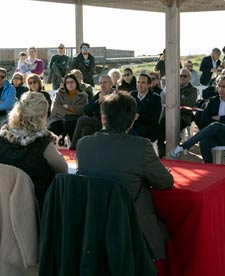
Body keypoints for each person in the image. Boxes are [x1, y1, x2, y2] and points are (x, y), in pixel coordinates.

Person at [76, 91, 174, 260]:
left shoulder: (83, 144)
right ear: (132, 120)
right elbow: (164, 183)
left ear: (103, 118)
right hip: (132, 228)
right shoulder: (141, 147)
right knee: (171, 229)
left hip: (92, 226)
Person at [0, 92, 67, 211]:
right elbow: (63, 170)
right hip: (34, 205)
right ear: (42, 116)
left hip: (3, 200)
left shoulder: (3, 137)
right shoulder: (42, 143)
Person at [169, 75, 225, 163]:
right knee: (204, 142)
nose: (220, 89)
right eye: (219, 86)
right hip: (214, 135)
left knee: (216, 125)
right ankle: (209, 169)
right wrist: (224, 122)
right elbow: (204, 120)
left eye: (223, 86)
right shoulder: (212, 101)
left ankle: (182, 147)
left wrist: (219, 119)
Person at [156, 68, 198, 157]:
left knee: (174, 128)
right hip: (168, 114)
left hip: (184, 116)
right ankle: (161, 148)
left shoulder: (193, 90)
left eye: (185, 76)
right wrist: (177, 97)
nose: (182, 78)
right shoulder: (171, 87)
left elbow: (189, 103)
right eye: (180, 76)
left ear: (189, 78)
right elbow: (163, 98)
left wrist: (174, 97)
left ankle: (174, 150)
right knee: (160, 126)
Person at [70, 75, 115, 149]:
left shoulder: (116, 95)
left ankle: (73, 148)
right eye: (100, 83)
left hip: (108, 122)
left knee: (82, 119)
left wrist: (106, 101)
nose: (102, 85)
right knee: (86, 129)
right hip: (96, 120)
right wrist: (98, 102)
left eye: (105, 82)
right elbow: (87, 110)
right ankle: (81, 152)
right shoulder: (99, 94)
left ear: (111, 83)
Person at [47, 73, 89, 143]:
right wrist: (71, 113)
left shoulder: (83, 95)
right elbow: (55, 108)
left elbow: (84, 109)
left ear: (76, 83)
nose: (70, 84)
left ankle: (74, 148)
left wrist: (69, 107)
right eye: (67, 82)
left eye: (72, 82)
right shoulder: (59, 93)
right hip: (59, 118)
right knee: (53, 129)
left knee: (72, 124)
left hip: (76, 120)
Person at [129, 73, 162, 142]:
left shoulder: (155, 98)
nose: (140, 85)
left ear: (149, 85)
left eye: (143, 83)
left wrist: (138, 116)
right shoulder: (131, 95)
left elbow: (154, 118)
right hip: (131, 126)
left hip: (148, 128)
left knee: (132, 133)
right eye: (138, 82)